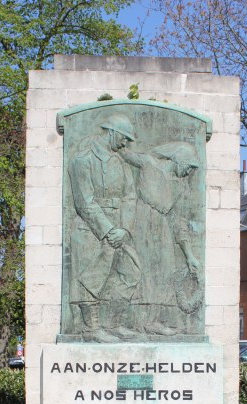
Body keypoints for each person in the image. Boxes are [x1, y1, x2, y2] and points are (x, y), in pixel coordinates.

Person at [65, 114, 143, 342]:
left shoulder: (120, 162)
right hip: (92, 230)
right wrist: (109, 230)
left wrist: (125, 229)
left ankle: (114, 324)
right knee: (91, 279)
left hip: (119, 229)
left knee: (132, 272)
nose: (125, 144)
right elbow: (84, 201)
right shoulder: (83, 160)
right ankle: (91, 329)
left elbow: (131, 197)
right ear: (112, 132)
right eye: (124, 138)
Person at [120, 140, 204, 336]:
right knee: (141, 273)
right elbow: (125, 154)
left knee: (165, 273)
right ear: (179, 160)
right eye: (189, 166)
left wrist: (189, 255)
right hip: (141, 224)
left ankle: (153, 321)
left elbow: (179, 221)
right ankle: (133, 322)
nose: (189, 172)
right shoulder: (150, 164)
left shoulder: (181, 187)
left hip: (163, 229)